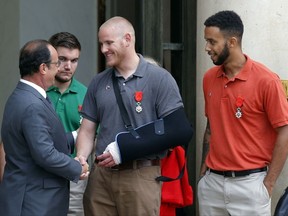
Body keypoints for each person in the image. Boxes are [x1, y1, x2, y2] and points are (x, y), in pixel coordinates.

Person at [76, 16, 193, 216]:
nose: (103, 49)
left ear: (127, 39)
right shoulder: (98, 82)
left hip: (141, 174)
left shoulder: (159, 78)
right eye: (101, 44)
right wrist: (81, 156)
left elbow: (178, 130)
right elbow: (87, 130)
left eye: (109, 43)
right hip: (100, 177)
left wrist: (126, 149)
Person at [198, 10, 288, 216]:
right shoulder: (209, 78)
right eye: (206, 41)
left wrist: (269, 183)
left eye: (212, 42)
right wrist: (204, 171)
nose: (207, 48)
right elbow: (211, 125)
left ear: (231, 42)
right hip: (212, 185)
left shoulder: (266, 80)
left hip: (251, 187)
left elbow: (285, 131)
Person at [0, 39, 89, 216]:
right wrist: (77, 168)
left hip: (29, 196)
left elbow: (38, 140)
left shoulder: (22, 95)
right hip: (34, 201)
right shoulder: (32, 103)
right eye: (56, 63)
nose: (59, 68)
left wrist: (74, 136)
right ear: (43, 68)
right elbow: (45, 154)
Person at [47, 32, 88, 216]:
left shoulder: (87, 94)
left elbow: (94, 135)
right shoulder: (38, 91)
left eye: (74, 60)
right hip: (41, 171)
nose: (68, 66)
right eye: (62, 59)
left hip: (74, 174)